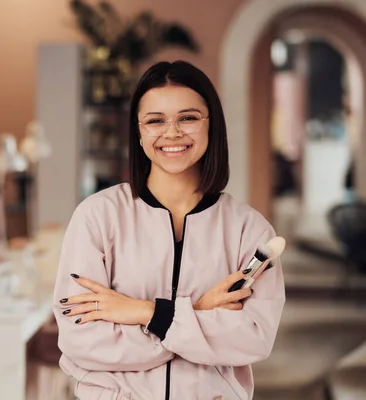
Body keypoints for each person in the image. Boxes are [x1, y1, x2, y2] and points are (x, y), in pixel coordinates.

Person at [52, 60, 285, 400]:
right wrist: (198, 314)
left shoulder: (248, 229)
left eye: (188, 118)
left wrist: (148, 313)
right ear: (139, 131)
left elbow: (252, 339)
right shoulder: (97, 216)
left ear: (211, 125)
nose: (172, 133)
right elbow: (81, 341)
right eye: (155, 120)